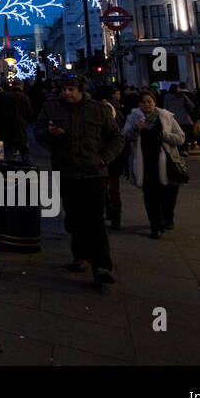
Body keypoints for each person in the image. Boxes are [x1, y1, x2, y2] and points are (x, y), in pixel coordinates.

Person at [34, 74, 124, 284]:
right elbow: (38, 132)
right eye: (64, 89)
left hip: (93, 172)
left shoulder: (98, 110)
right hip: (65, 171)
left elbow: (117, 138)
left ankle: (101, 265)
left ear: (81, 90)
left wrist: (104, 159)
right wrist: (49, 133)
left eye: (71, 89)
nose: (67, 93)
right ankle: (80, 255)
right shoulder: (51, 108)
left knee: (95, 219)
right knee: (74, 217)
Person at [124, 90, 187, 238]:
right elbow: (124, 135)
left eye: (149, 101)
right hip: (146, 162)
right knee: (150, 195)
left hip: (167, 162)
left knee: (169, 194)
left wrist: (164, 135)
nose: (146, 104)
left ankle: (168, 217)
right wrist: (136, 129)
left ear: (154, 103)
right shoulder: (134, 117)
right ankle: (155, 226)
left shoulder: (166, 116)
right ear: (139, 104)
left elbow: (181, 137)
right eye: (143, 102)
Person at [96, 85, 128, 230]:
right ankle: (112, 212)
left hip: (109, 156)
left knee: (110, 188)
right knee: (108, 188)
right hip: (108, 156)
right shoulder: (114, 109)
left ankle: (114, 214)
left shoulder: (108, 111)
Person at [0, 79, 33, 164]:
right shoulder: (24, 97)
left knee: (8, 154)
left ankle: (9, 172)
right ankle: (27, 173)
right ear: (21, 87)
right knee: (25, 154)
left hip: (6, 129)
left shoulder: (4, 96)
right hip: (20, 129)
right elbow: (29, 114)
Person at [164, 84, 195, 154]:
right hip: (184, 118)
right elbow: (192, 105)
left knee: (174, 135)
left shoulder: (166, 97)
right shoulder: (182, 96)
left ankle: (176, 150)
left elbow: (165, 108)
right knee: (183, 135)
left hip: (172, 119)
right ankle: (184, 150)